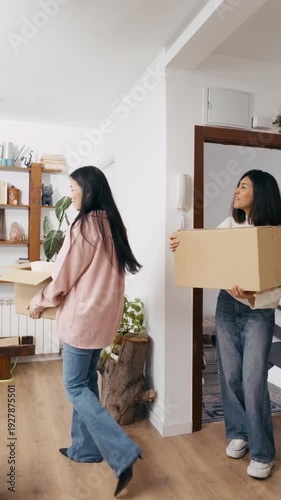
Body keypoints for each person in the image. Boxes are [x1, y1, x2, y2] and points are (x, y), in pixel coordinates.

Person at [28, 166, 143, 497]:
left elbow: (63, 276)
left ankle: (122, 452)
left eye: (73, 188)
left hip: (82, 321)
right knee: (87, 383)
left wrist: (39, 300)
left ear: (88, 191)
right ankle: (85, 449)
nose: (71, 194)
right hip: (103, 322)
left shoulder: (84, 226)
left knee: (75, 387)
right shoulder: (112, 224)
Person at [170, 169, 281, 479]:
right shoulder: (230, 225)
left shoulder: (275, 233)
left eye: (243, 186)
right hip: (226, 305)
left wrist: (254, 292)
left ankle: (262, 452)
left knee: (253, 378)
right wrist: (182, 247)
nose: (235, 190)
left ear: (260, 192)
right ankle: (239, 433)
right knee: (229, 373)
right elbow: (208, 253)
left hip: (258, 311)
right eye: (237, 185)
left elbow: (278, 282)